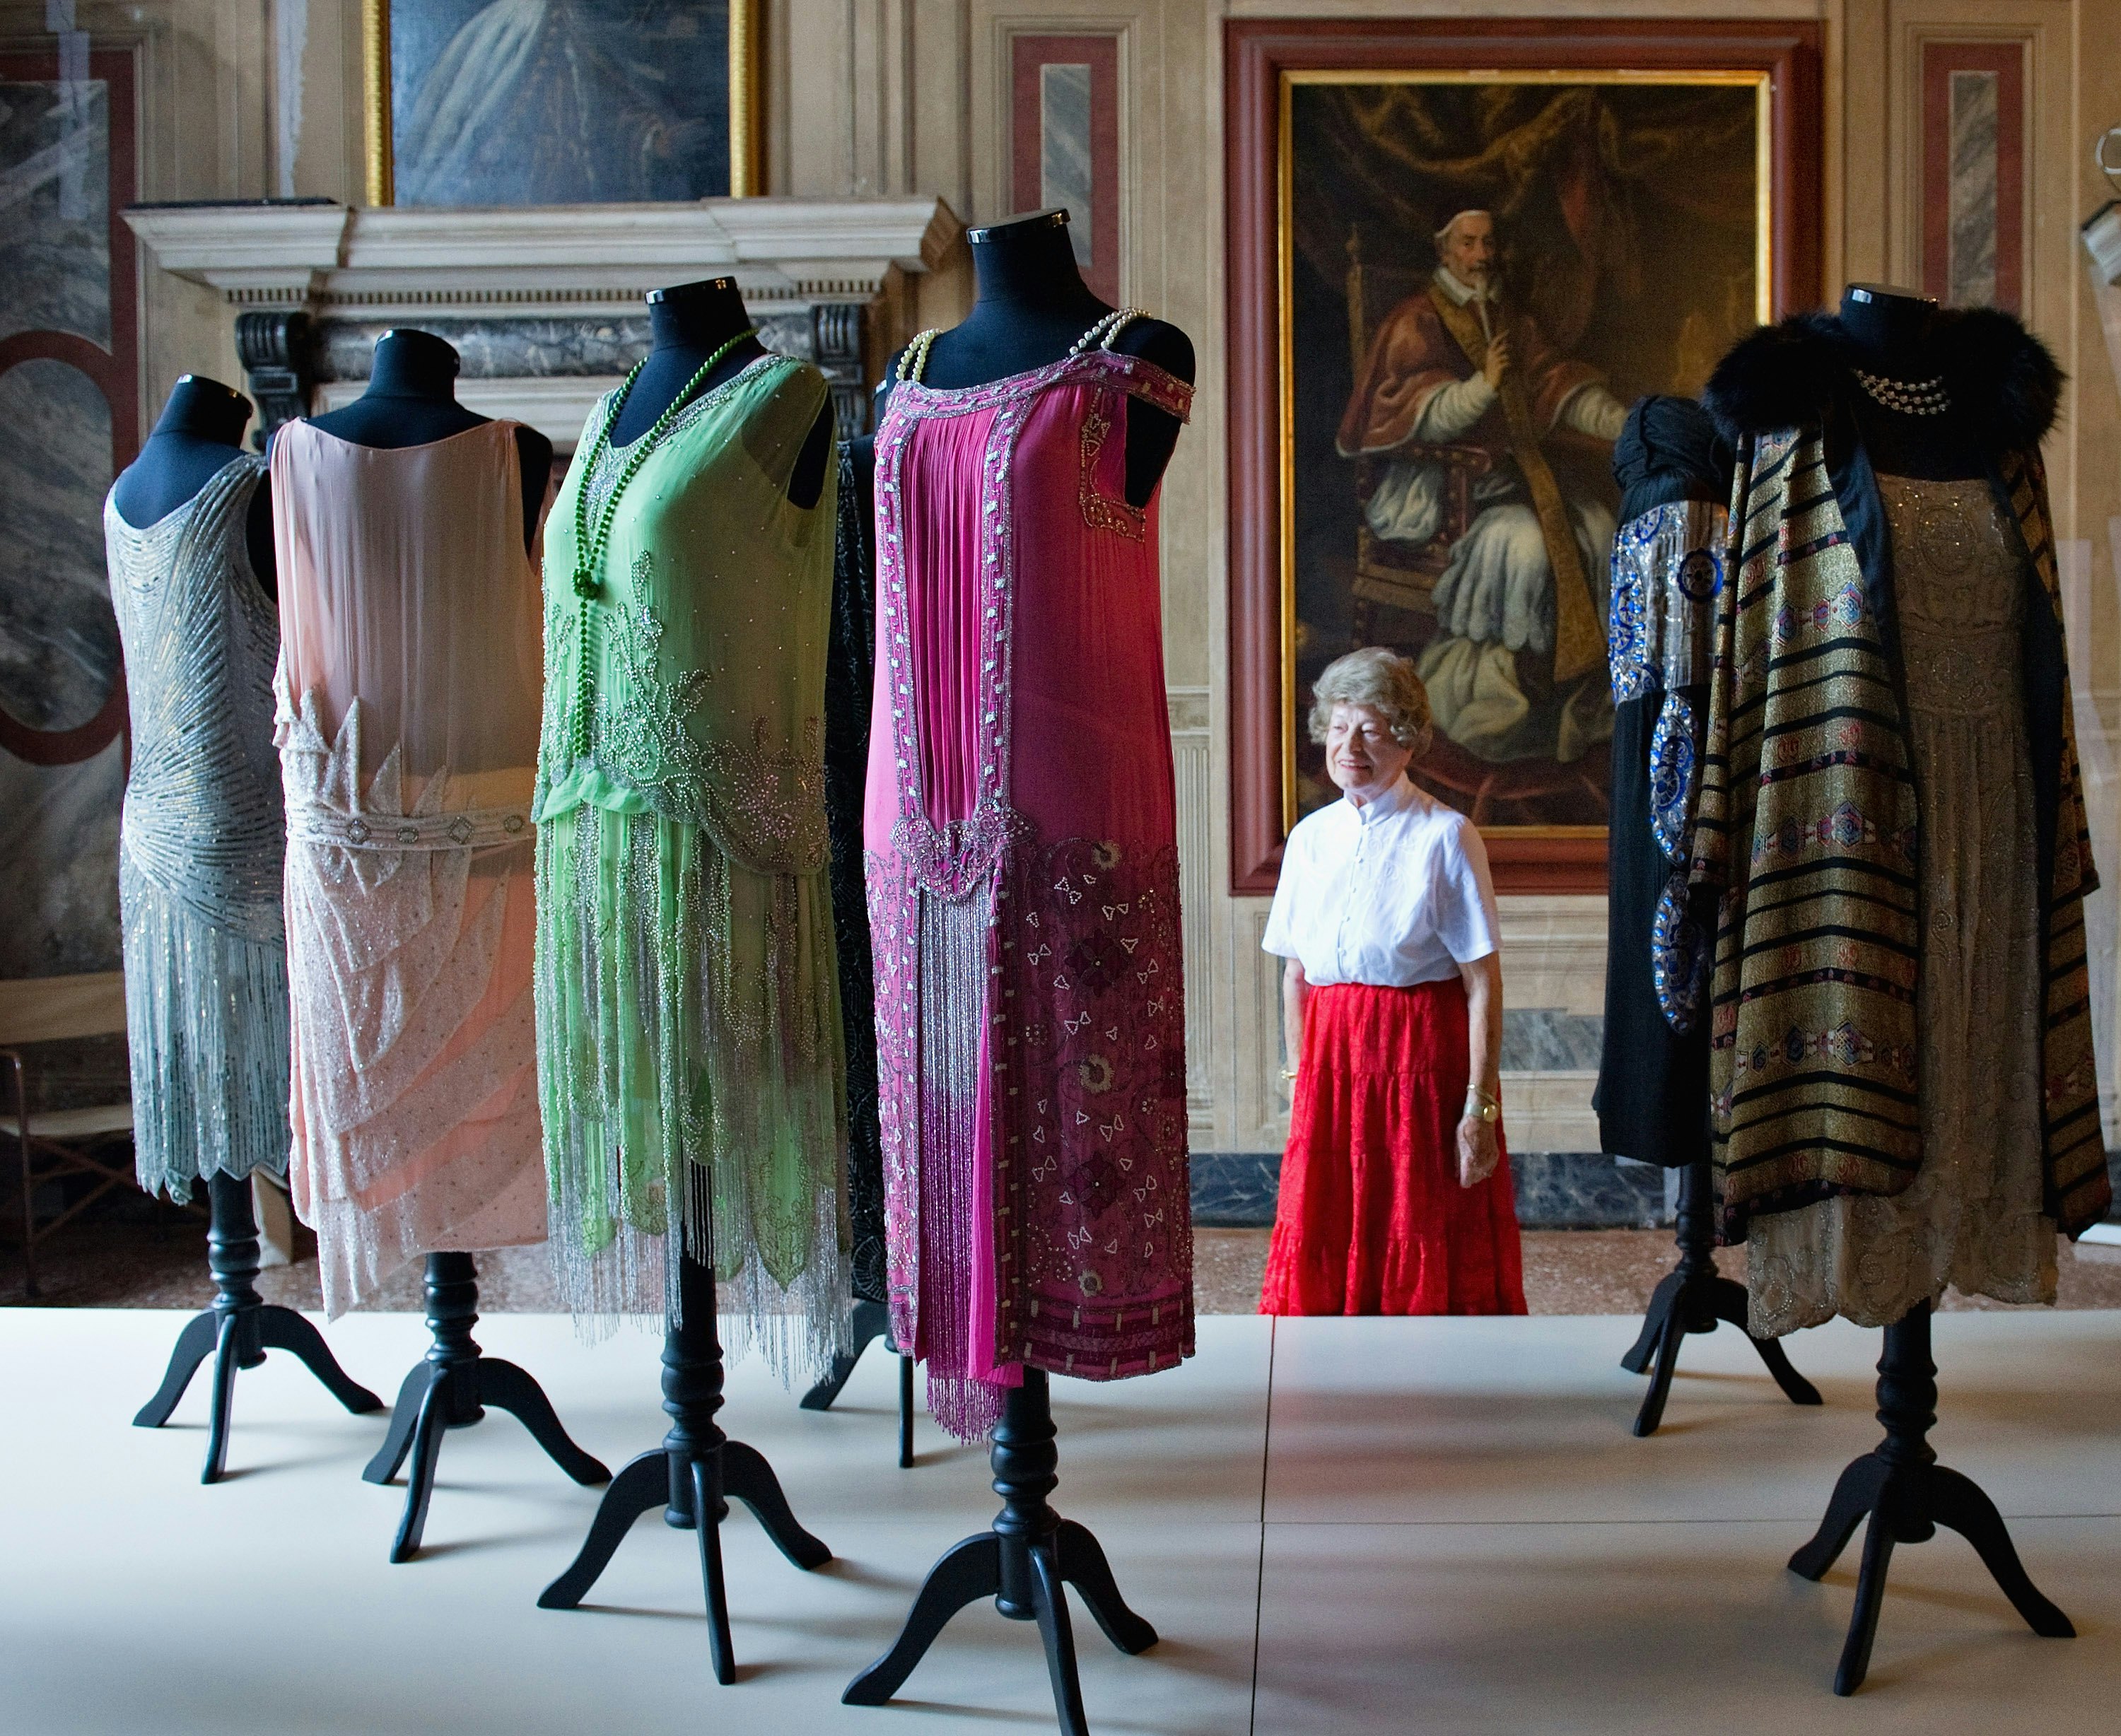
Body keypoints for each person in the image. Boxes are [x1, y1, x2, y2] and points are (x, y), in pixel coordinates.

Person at [1259, 647, 1529, 1315]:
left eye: (1373, 730)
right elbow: (1295, 973)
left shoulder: (1447, 835)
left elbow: (1482, 984)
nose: (1351, 746)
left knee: (1419, 1220)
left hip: (1418, 1067)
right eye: (1341, 726)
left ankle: (1428, 1383)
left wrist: (1480, 1110)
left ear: (1406, 740)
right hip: (1331, 1063)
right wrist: (1300, 1082)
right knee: (1327, 1221)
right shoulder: (1309, 839)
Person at [1338, 210, 1630, 764]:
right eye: (1468, 244)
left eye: (1488, 243)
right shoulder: (1415, 320)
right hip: (1436, 483)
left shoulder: (1507, 317)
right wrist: (1485, 386)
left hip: (1507, 478)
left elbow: (1556, 384)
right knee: (1521, 544)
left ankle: (1571, 693)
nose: (1481, 256)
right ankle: (1491, 700)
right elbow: (1414, 414)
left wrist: (1626, 424)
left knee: (1597, 525)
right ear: (1445, 251)